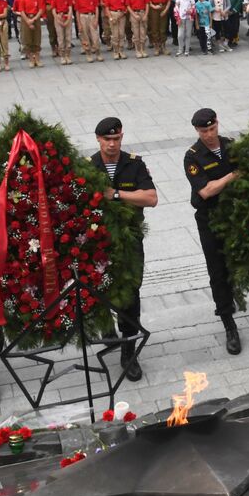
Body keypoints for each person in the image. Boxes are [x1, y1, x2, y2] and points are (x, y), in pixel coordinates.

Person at [89, 117, 156, 379]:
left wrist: (116, 195)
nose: (112, 143)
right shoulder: (90, 167)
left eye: (117, 139)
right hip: (100, 243)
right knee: (101, 288)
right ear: (98, 139)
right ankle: (107, 327)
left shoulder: (134, 164)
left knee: (131, 293)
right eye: (107, 139)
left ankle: (129, 349)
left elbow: (151, 198)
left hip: (130, 240)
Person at [183, 109, 242, 354]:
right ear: (197, 131)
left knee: (235, 262)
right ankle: (228, 321)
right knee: (217, 270)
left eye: (212, 128)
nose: (209, 134)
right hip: (210, 219)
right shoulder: (193, 156)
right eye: (203, 131)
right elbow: (206, 191)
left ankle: (234, 294)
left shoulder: (231, 146)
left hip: (235, 215)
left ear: (218, 123)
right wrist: (232, 176)